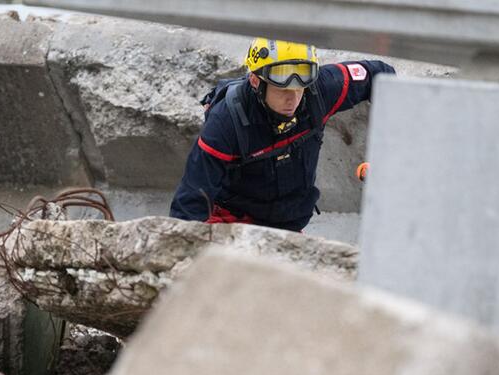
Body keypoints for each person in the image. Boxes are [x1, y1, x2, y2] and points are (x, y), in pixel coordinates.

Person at [169, 38, 395, 232]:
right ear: (256, 81)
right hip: (232, 220)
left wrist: (391, 148)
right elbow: (191, 200)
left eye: (300, 88)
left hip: (288, 224)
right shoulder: (227, 119)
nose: (293, 98)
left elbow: (382, 75)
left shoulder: (322, 89)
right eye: (282, 89)